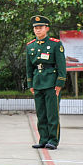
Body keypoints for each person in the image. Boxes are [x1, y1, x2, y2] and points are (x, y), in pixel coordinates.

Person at [26, 15, 66, 150]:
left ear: (47, 28)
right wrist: (30, 84)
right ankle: (43, 139)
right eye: (35, 28)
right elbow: (29, 67)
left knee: (52, 114)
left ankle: (53, 140)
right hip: (37, 82)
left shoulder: (55, 44)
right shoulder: (30, 46)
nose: (38, 30)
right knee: (41, 114)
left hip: (51, 82)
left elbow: (61, 65)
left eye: (40, 27)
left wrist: (60, 83)